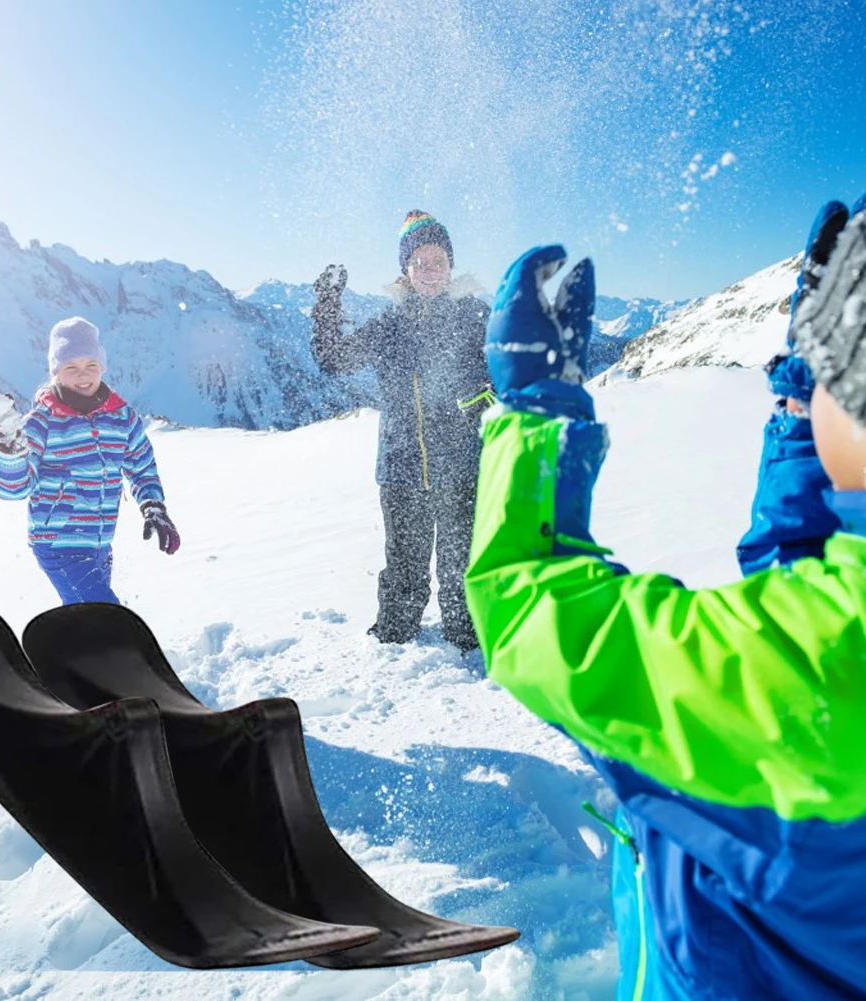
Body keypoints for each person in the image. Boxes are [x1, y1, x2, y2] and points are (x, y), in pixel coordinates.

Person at [465, 192, 866, 1000]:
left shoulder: (808, 678)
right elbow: (804, 584)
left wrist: (537, 416)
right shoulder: (819, 638)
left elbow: (527, 602)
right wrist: (803, 413)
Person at [312, 211, 493, 651]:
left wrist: (485, 393)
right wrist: (328, 305)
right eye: (420, 262)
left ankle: (467, 636)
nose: (430, 271)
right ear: (406, 271)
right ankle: (393, 641)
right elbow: (334, 360)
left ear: (450, 265)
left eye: (438, 261)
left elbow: (509, 369)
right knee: (405, 568)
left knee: (462, 565)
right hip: (402, 468)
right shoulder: (388, 325)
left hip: (462, 467)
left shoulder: (475, 317)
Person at [0, 316, 180, 605]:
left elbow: (142, 466)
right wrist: (12, 448)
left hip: (100, 543)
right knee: (106, 616)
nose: (83, 375)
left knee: (83, 619)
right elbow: (13, 490)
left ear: (102, 367)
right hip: (58, 544)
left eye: (91, 365)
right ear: (57, 371)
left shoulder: (121, 418)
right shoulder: (41, 422)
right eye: (71, 367)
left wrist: (153, 505)